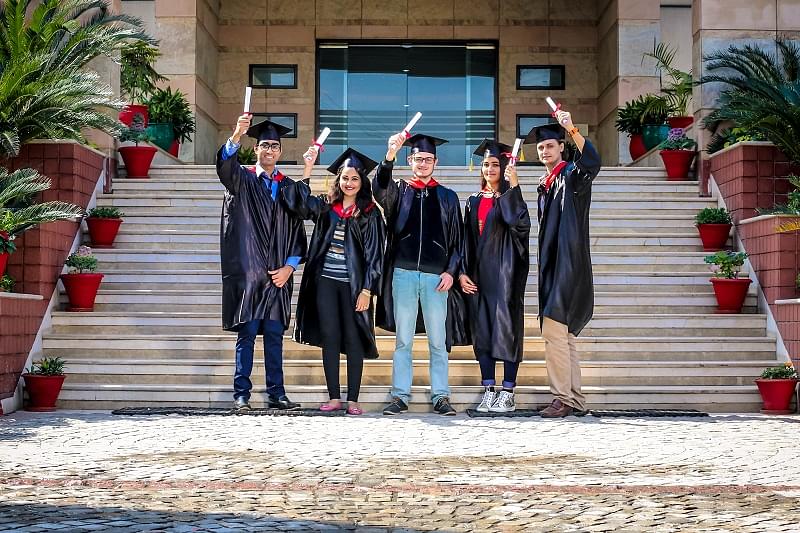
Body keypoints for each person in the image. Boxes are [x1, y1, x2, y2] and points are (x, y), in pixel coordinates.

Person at [280, 146, 386, 416]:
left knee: (353, 339)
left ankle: (353, 400)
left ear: (362, 182)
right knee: (330, 337)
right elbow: (298, 204)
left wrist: (367, 289)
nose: (349, 183)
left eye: (355, 179)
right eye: (345, 178)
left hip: (354, 286)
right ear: (338, 180)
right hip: (324, 283)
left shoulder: (370, 213)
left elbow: (375, 255)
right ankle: (335, 397)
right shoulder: (327, 206)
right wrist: (307, 167)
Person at [216, 116, 308, 411]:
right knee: (246, 335)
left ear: (280, 151)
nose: (269, 150)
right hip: (250, 274)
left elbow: (297, 230)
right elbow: (224, 165)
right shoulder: (242, 180)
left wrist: (289, 268)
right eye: (265, 145)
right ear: (255, 149)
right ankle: (241, 394)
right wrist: (236, 133)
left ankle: (276, 393)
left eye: (274, 146)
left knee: (274, 336)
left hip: (278, 276)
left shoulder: (288, 187)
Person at [373, 132, 467, 416]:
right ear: (410, 160)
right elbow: (379, 188)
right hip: (403, 274)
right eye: (418, 159)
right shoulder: (400, 192)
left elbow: (458, 241)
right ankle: (400, 396)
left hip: (436, 279)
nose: (423, 163)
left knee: (438, 341)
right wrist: (389, 156)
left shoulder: (447, 197)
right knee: (404, 340)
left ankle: (441, 396)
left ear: (435, 162)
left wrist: (451, 272)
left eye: (428, 159)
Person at [528, 109, 601, 418]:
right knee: (566, 337)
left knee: (554, 333)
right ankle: (575, 399)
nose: (545, 150)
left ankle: (561, 398)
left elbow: (592, 162)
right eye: (541, 147)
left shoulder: (571, 176)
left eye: (550, 146)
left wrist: (571, 128)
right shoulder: (546, 184)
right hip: (554, 264)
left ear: (561, 147)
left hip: (566, 264)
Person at [460, 139, 531, 413]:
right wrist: (462, 272)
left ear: (504, 168)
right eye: (486, 164)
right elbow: (465, 240)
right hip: (479, 276)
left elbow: (520, 226)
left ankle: (508, 392)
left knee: (508, 332)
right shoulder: (474, 201)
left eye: (495, 165)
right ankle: (489, 390)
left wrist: (514, 187)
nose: (489, 169)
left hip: (505, 276)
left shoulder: (511, 197)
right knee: (483, 333)